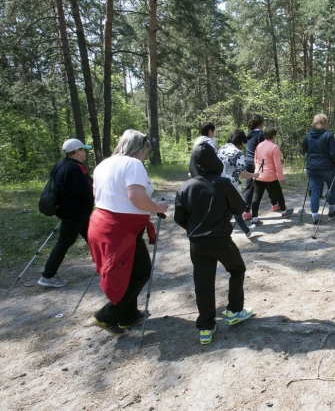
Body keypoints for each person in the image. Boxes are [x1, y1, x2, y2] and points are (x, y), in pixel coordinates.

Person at [88, 130, 169, 335]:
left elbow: (97, 194)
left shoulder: (103, 164)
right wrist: (158, 207)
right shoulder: (133, 164)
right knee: (141, 271)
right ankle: (107, 315)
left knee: (128, 271)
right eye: (145, 152)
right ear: (140, 148)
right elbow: (137, 198)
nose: (145, 156)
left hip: (103, 223)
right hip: (120, 229)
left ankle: (128, 315)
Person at [174, 141, 253, 345]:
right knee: (237, 269)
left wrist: (193, 228)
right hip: (220, 240)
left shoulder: (185, 187)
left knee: (203, 282)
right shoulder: (223, 183)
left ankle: (206, 327)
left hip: (197, 244)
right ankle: (234, 311)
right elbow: (240, 206)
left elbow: (179, 217)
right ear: (215, 161)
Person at [38, 139, 94, 288]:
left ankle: (106, 265)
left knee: (93, 237)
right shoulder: (76, 168)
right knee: (65, 242)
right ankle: (48, 275)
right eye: (83, 150)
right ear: (76, 152)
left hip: (70, 211)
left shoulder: (59, 166)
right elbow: (88, 189)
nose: (85, 152)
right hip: (75, 213)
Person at [217, 129, 261, 238]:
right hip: (232, 186)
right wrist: (254, 175)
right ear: (240, 141)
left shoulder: (220, 149)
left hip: (219, 183)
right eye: (242, 143)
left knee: (234, 209)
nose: (242, 146)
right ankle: (221, 233)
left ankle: (247, 230)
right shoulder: (238, 152)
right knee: (232, 210)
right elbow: (242, 173)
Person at [303, 114, 335, 224]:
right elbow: (333, 153)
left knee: (315, 190)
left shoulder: (308, 135)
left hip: (312, 167)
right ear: (325, 122)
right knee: (332, 187)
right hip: (327, 167)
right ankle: (331, 211)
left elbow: (305, 148)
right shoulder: (329, 135)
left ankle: (315, 216)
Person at [251, 126, 294, 224]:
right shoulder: (274, 147)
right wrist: (281, 178)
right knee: (279, 194)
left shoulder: (259, 146)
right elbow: (277, 165)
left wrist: (255, 173)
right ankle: (284, 212)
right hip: (270, 176)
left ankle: (254, 219)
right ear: (273, 136)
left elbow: (255, 161)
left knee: (256, 198)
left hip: (258, 175)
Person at [242, 115, 278, 220]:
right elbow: (264, 149)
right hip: (257, 162)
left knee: (250, 187)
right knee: (269, 183)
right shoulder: (260, 135)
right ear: (260, 124)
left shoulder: (248, 134)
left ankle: (246, 211)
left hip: (247, 161)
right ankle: (275, 204)